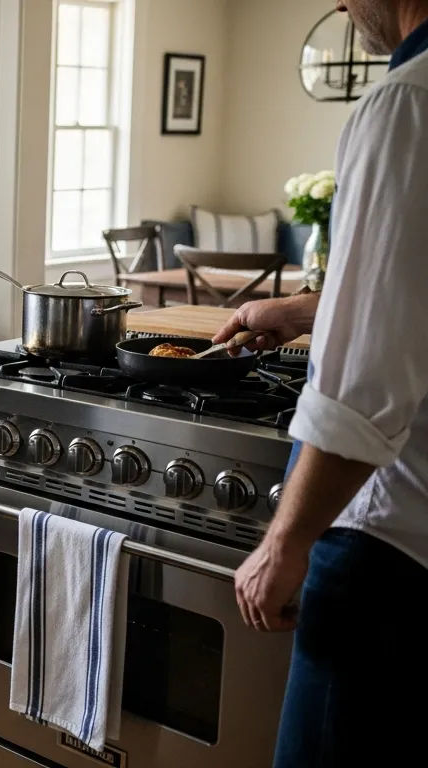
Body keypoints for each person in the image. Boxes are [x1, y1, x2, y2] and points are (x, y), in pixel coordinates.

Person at [214, 1, 428, 764]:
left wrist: (285, 542)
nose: (339, 3)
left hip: (385, 541)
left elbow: (363, 388)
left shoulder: (406, 101)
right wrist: (309, 310)